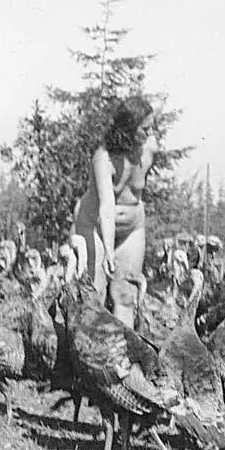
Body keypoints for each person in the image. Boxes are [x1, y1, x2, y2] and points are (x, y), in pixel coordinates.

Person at [73, 96, 157, 327]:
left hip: (132, 228)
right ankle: (90, 358)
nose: (150, 134)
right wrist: (109, 251)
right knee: (95, 295)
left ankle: (123, 357)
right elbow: (107, 207)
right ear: (128, 128)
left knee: (125, 295)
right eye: (145, 129)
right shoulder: (103, 158)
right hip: (96, 225)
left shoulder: (150, 149)